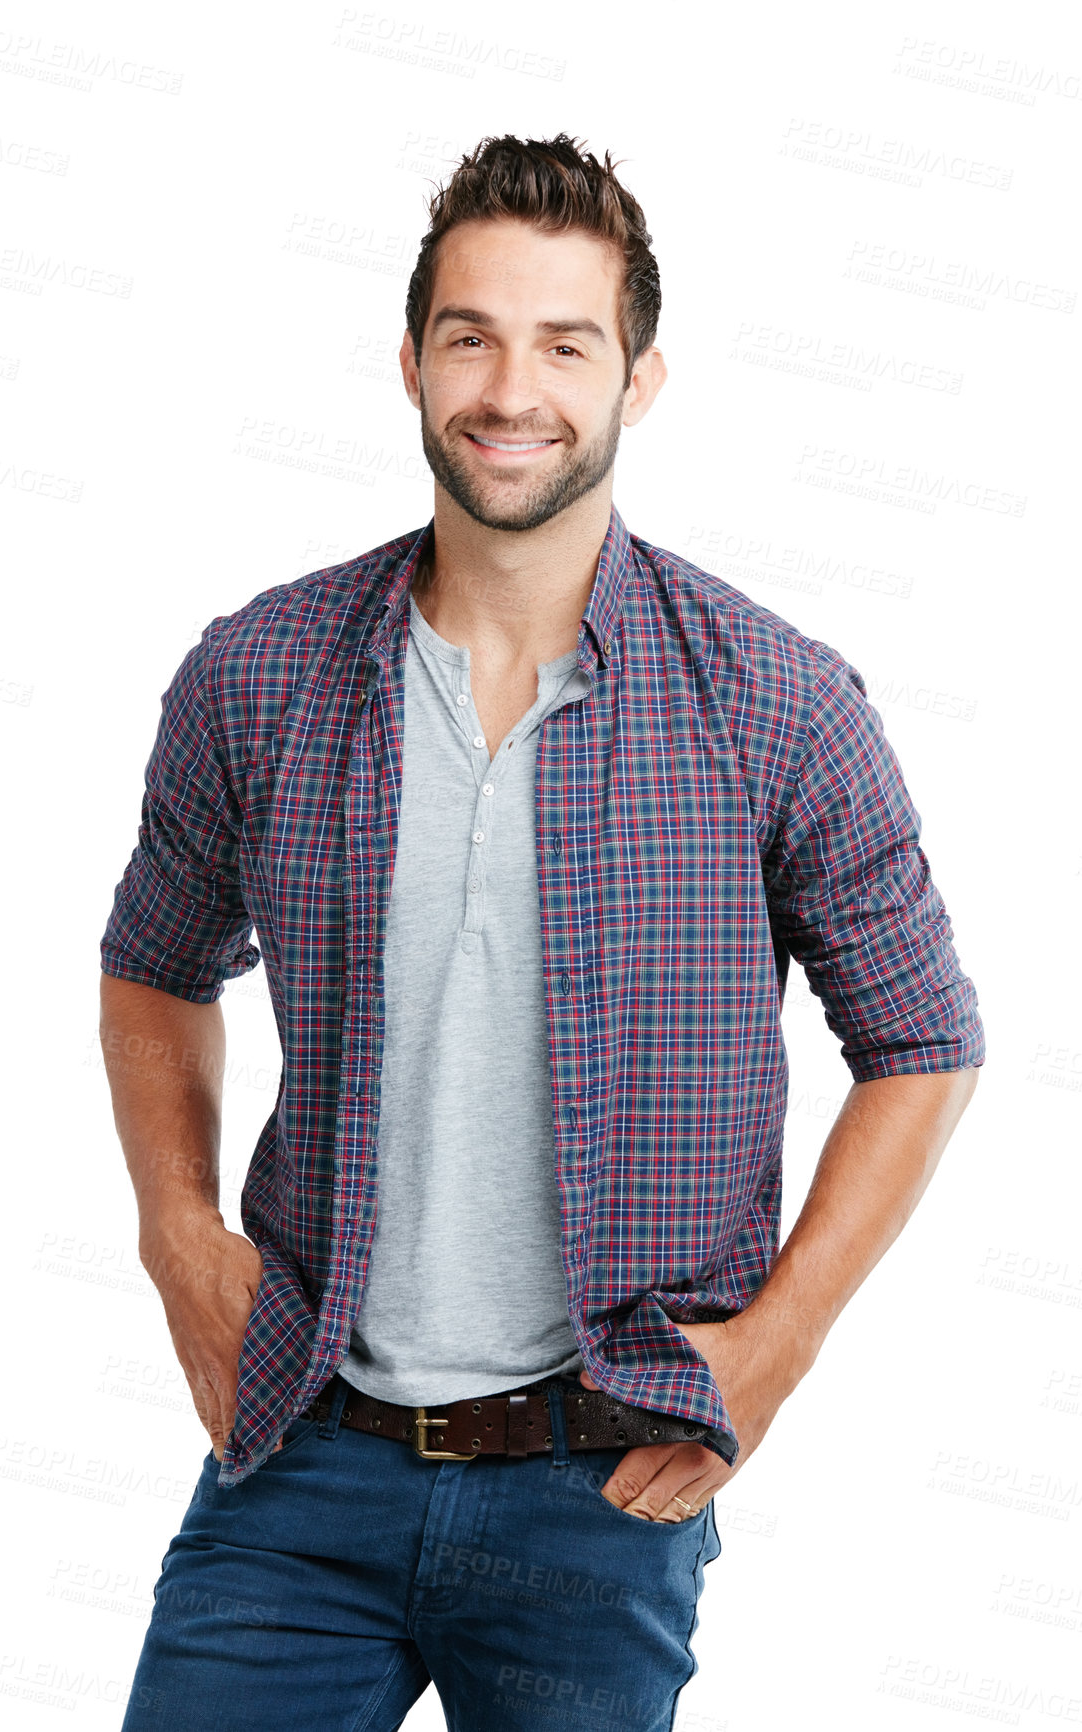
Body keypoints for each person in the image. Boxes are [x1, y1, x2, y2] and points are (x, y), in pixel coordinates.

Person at [100, 132, 984, 1731]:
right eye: (472, 335)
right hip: (298, 1454)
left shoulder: (779, 705)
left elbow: (920, 1046)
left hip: (605, 1487)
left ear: (638, 377)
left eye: (564, 342)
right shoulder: (260, 675)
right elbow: (156, 964)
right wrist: (177, 1238)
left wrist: (774, 1347)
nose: (513, 388)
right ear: (411, 363)